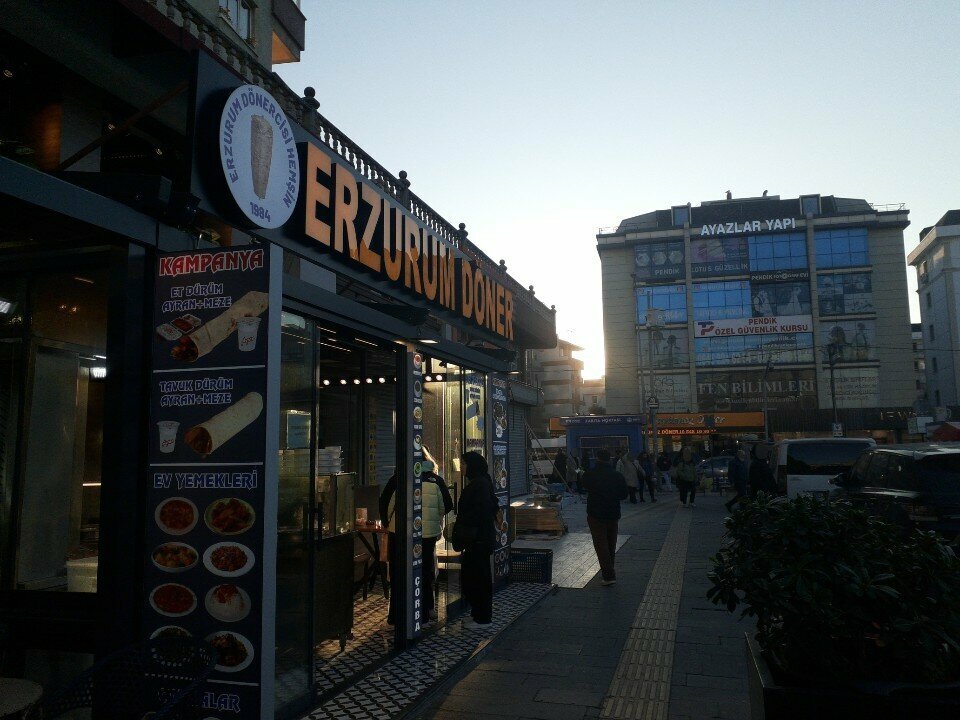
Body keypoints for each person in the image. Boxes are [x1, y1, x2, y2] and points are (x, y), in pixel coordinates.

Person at [456, 451, 499, 630]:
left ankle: (483, 618)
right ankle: (477, 613)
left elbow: (481, 512)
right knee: (474, 577)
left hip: (479, 540)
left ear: (472, 466)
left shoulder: (479, 485)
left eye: (464, 464)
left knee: (479, 578)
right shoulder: (481, 482)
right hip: (478, 540)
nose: (461, 467)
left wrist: (463, 521)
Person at [581, 449, 628, 586]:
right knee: (611, 543)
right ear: (610, 459)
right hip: (613, 513)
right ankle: (609, 569)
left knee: (600, 544)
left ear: (597, 458)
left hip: (595, 513)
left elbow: (584, 486)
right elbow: (624, 494)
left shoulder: (590, 474)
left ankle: (608, 575)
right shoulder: (617, 475)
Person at [420, 459, 453, 623]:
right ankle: (429, 608)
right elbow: (447, 505)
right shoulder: (437, 481)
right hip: (430, 533)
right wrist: (436, 515)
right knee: (427, 568)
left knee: (411, 569)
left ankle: (410, 607)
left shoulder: (410, 478)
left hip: (410, 533)